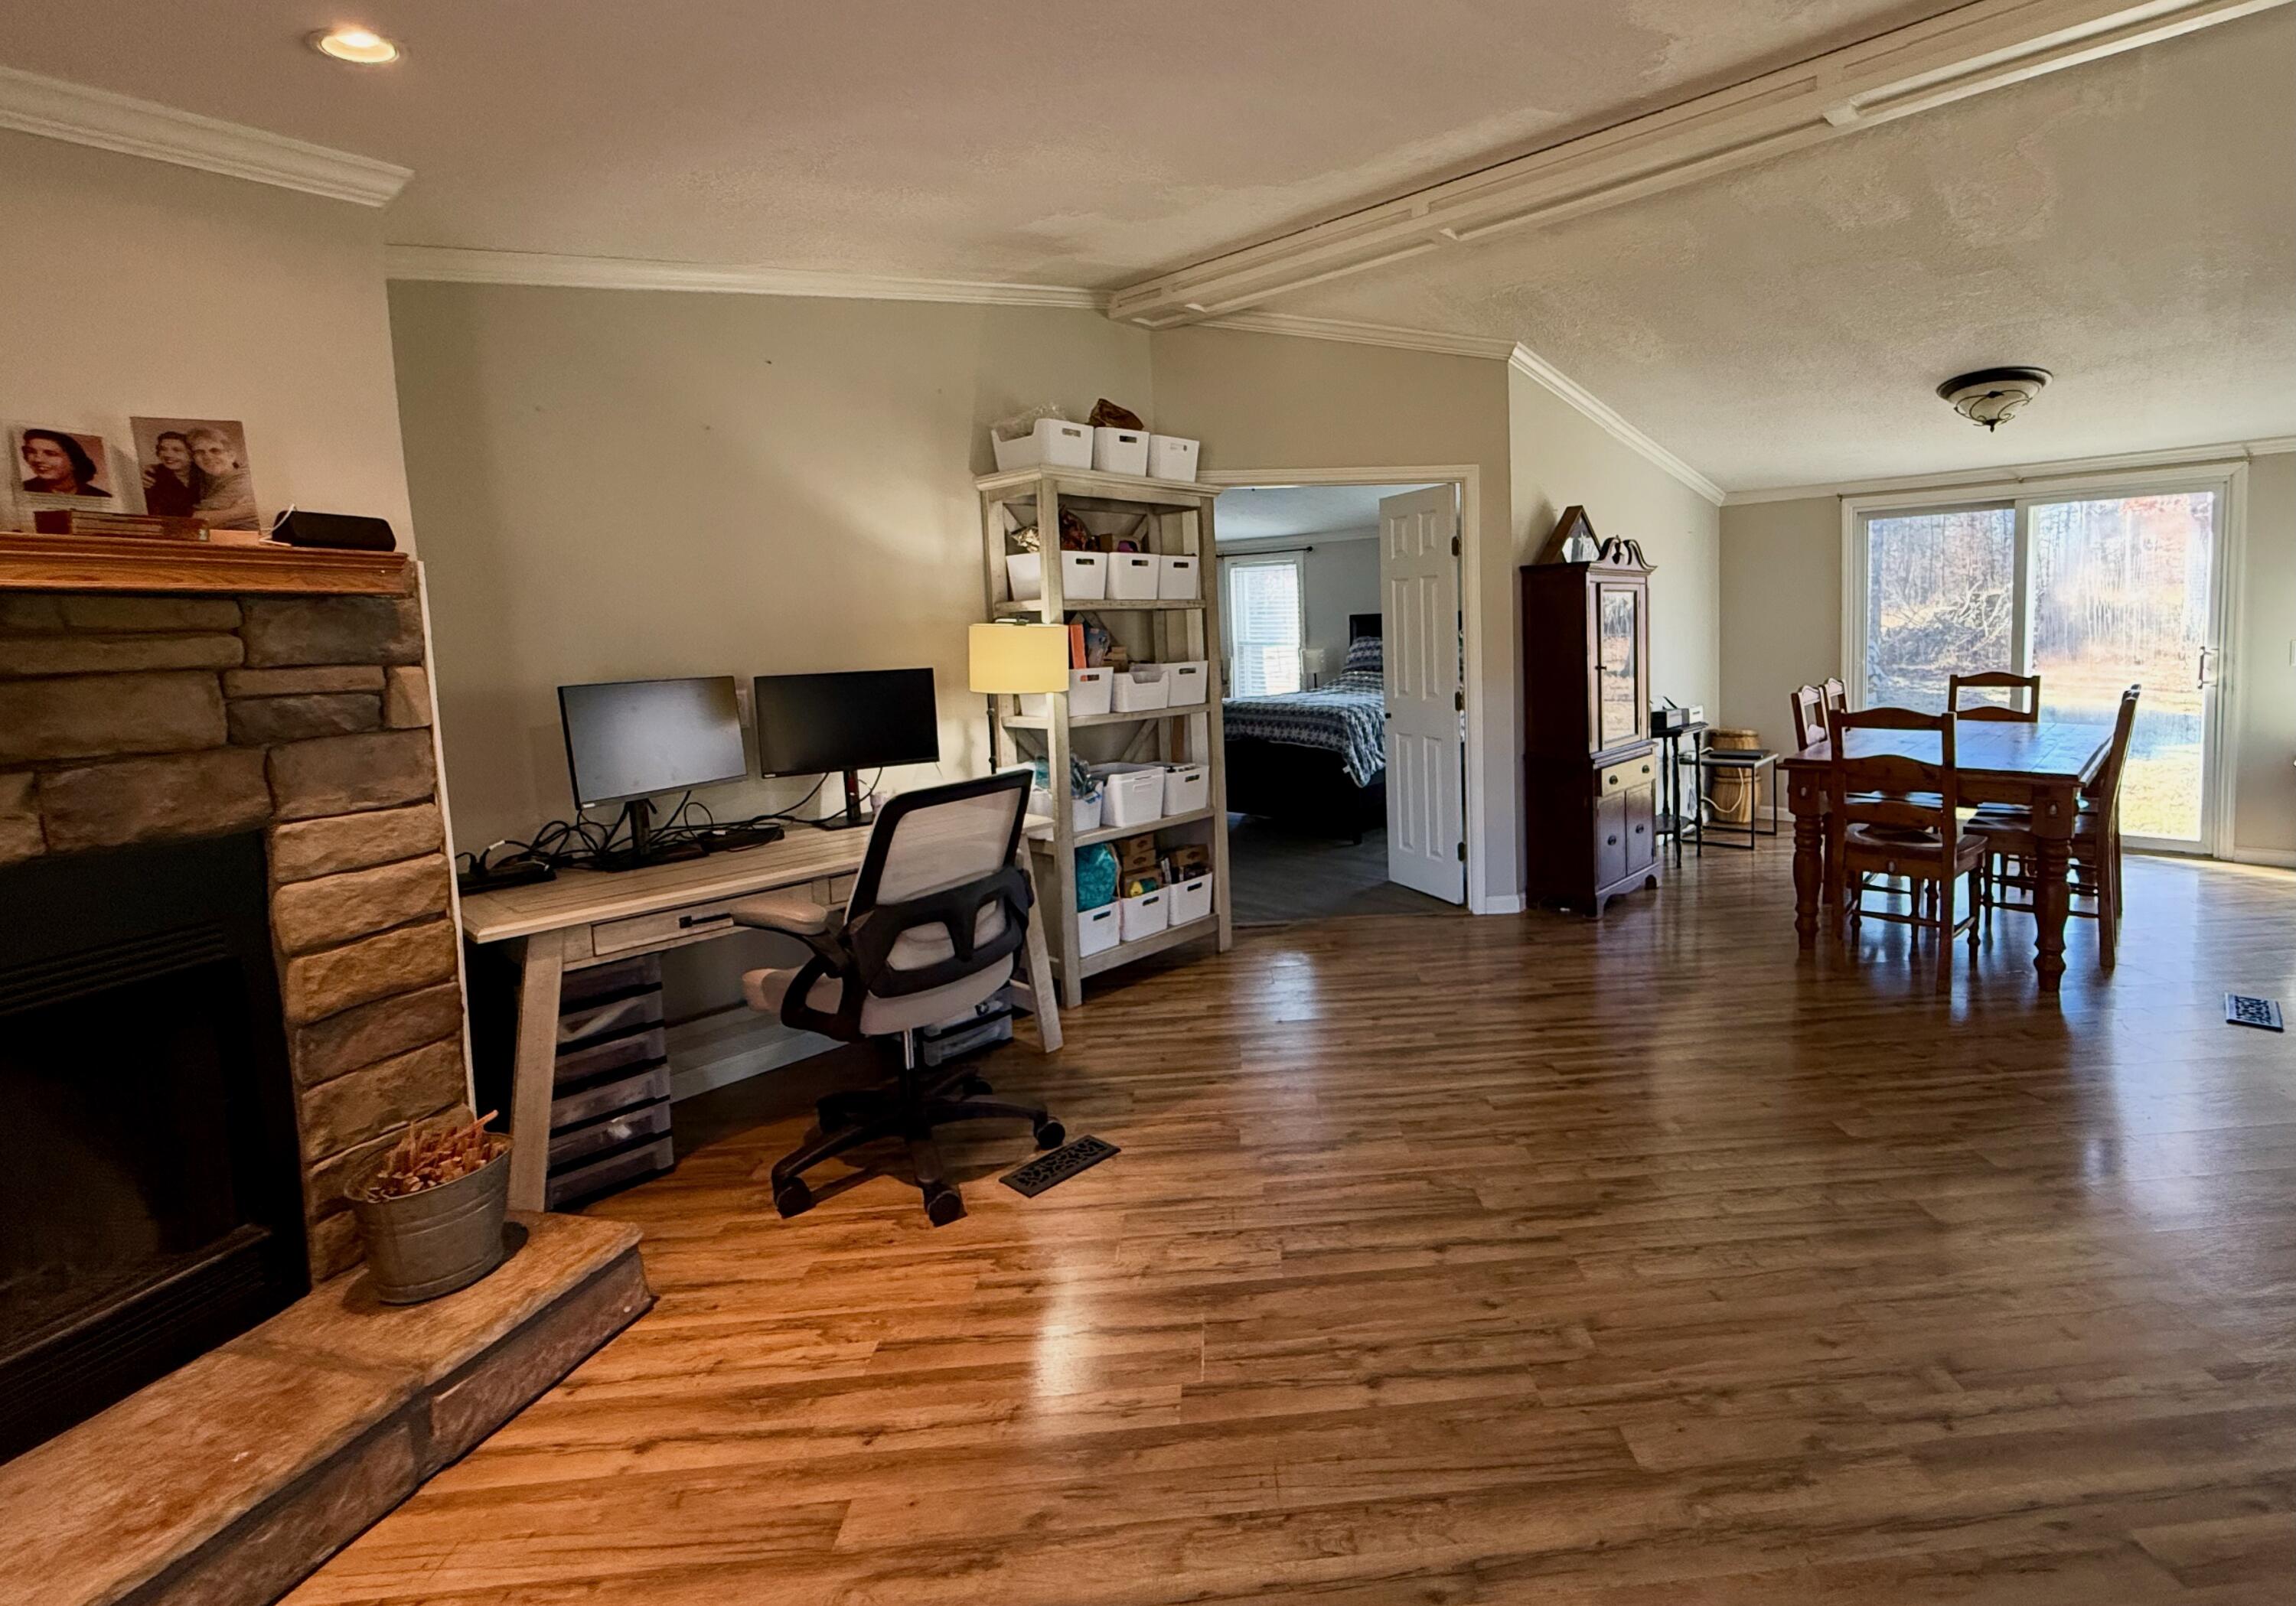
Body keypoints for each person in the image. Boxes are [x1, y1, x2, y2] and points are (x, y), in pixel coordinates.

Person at [187, 428, 257, 529]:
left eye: (215, 451)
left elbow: (193, 522)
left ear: (231, 455)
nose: (207, 457)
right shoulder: (206, 480)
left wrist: (218, 517)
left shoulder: (242, 483)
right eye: (200, 452)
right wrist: (238, 512)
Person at [18, 428, 107, 498]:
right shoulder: (21, 490)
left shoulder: (100, 496)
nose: (38, 460)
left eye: (50, 454)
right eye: (31, 452)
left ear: (74, 461)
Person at [141, 431, 201, 516]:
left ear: (191, 455)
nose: (168, 455)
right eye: (163, 449)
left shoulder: (203, 474)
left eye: (177, 450)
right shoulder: (152, 476)